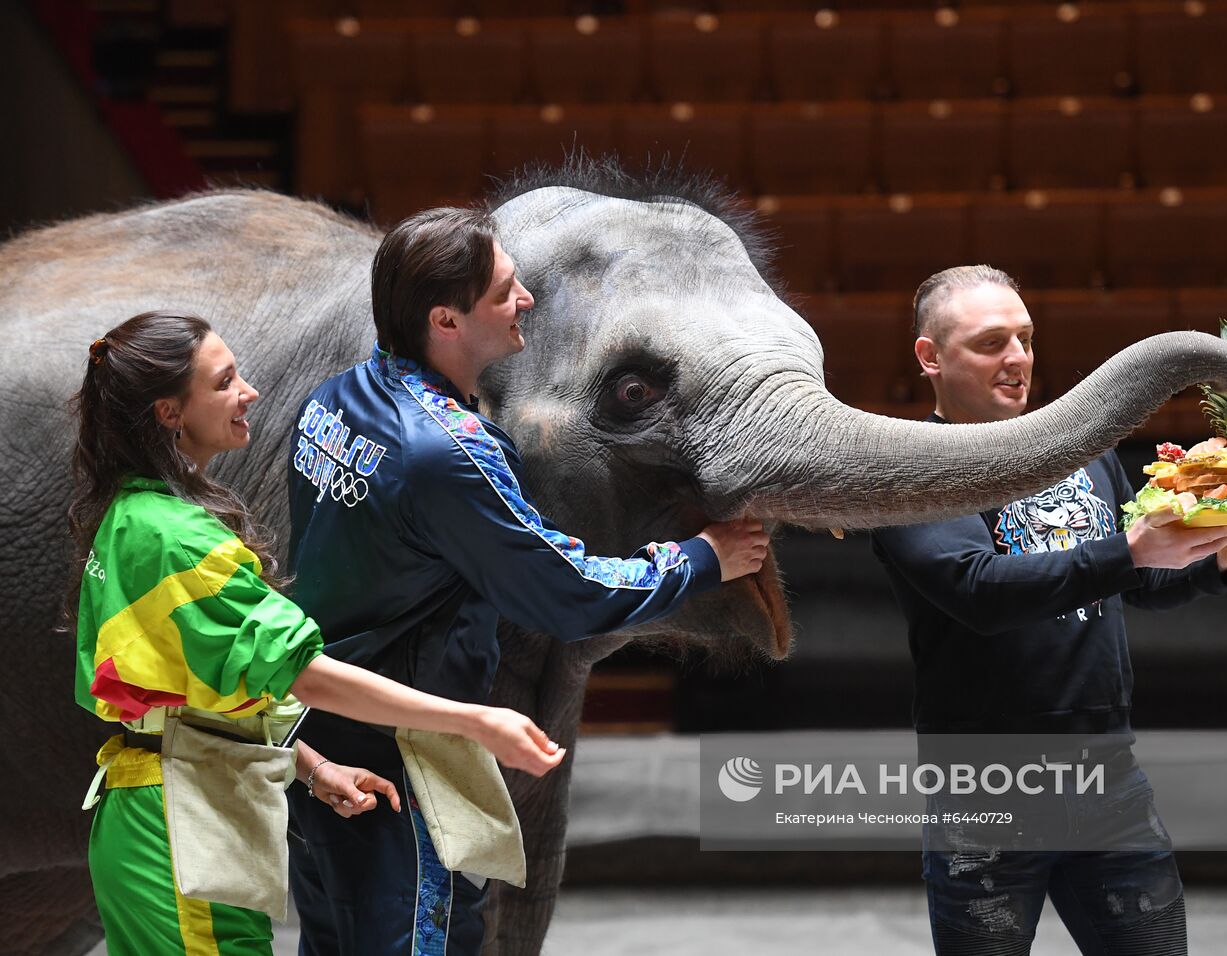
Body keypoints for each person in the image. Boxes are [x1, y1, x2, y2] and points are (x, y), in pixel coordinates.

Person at [284, 206, 769, 955]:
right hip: (403, 771)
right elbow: (570, 592)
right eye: (505, 290)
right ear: (446, 320)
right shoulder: (449, 450)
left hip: (323, 753)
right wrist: (704, 558)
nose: (527, 301)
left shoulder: (333, 400)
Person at [71, 310, 568, 956]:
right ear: (169, 413)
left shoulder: (134, 516)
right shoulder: (176, 538)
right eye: (223, 383)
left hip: (161, 811)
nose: (248, 392)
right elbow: (303, 673)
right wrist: (472, 721)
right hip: (180, 828)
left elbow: (192, 698)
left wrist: (310, 767)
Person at [872, 266, 1227, 955]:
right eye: (990, 343)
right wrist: (1132, 550)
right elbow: (981, 592)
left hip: (1108, 780)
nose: (1017, 359)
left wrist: (1222, 561)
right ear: (930, 357)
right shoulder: (906, 474)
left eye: (1026, 339)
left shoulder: (1084, 454)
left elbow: (1143, 582)